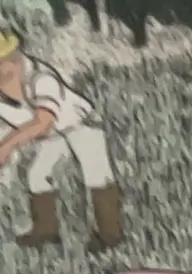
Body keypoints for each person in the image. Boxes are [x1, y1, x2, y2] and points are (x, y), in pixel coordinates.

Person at [0, 26, 122, 251]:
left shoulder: (41, 78)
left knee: (96, 173)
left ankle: (110, 235)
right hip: (52, 135)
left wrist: (7, 146)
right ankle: (46, 230)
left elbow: (43, 121)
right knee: (38, 175)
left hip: (80, 123)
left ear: (14, 59)